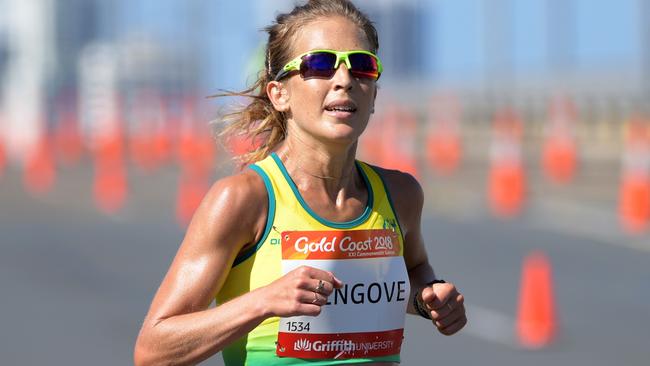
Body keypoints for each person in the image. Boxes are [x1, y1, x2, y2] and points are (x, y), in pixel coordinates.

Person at [134, 1, 466, 365]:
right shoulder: (244, 200)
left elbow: (416, 270)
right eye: (320, 65)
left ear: (374, 95)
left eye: (361, 66)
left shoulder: (401, 195)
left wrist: (429, 299)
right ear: (280, 94)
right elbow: (153, 351)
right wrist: (262, 301)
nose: (344, 79)